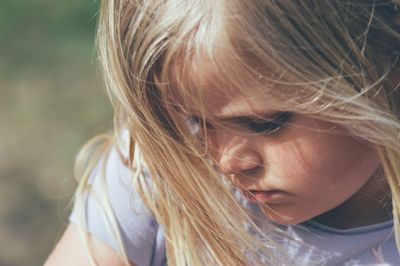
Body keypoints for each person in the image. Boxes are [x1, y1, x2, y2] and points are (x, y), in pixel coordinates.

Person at [46, 0, 400, 265]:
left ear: (385, 66)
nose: (227, 161)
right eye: (197, 122)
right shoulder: (162, 167)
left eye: (265, 123)